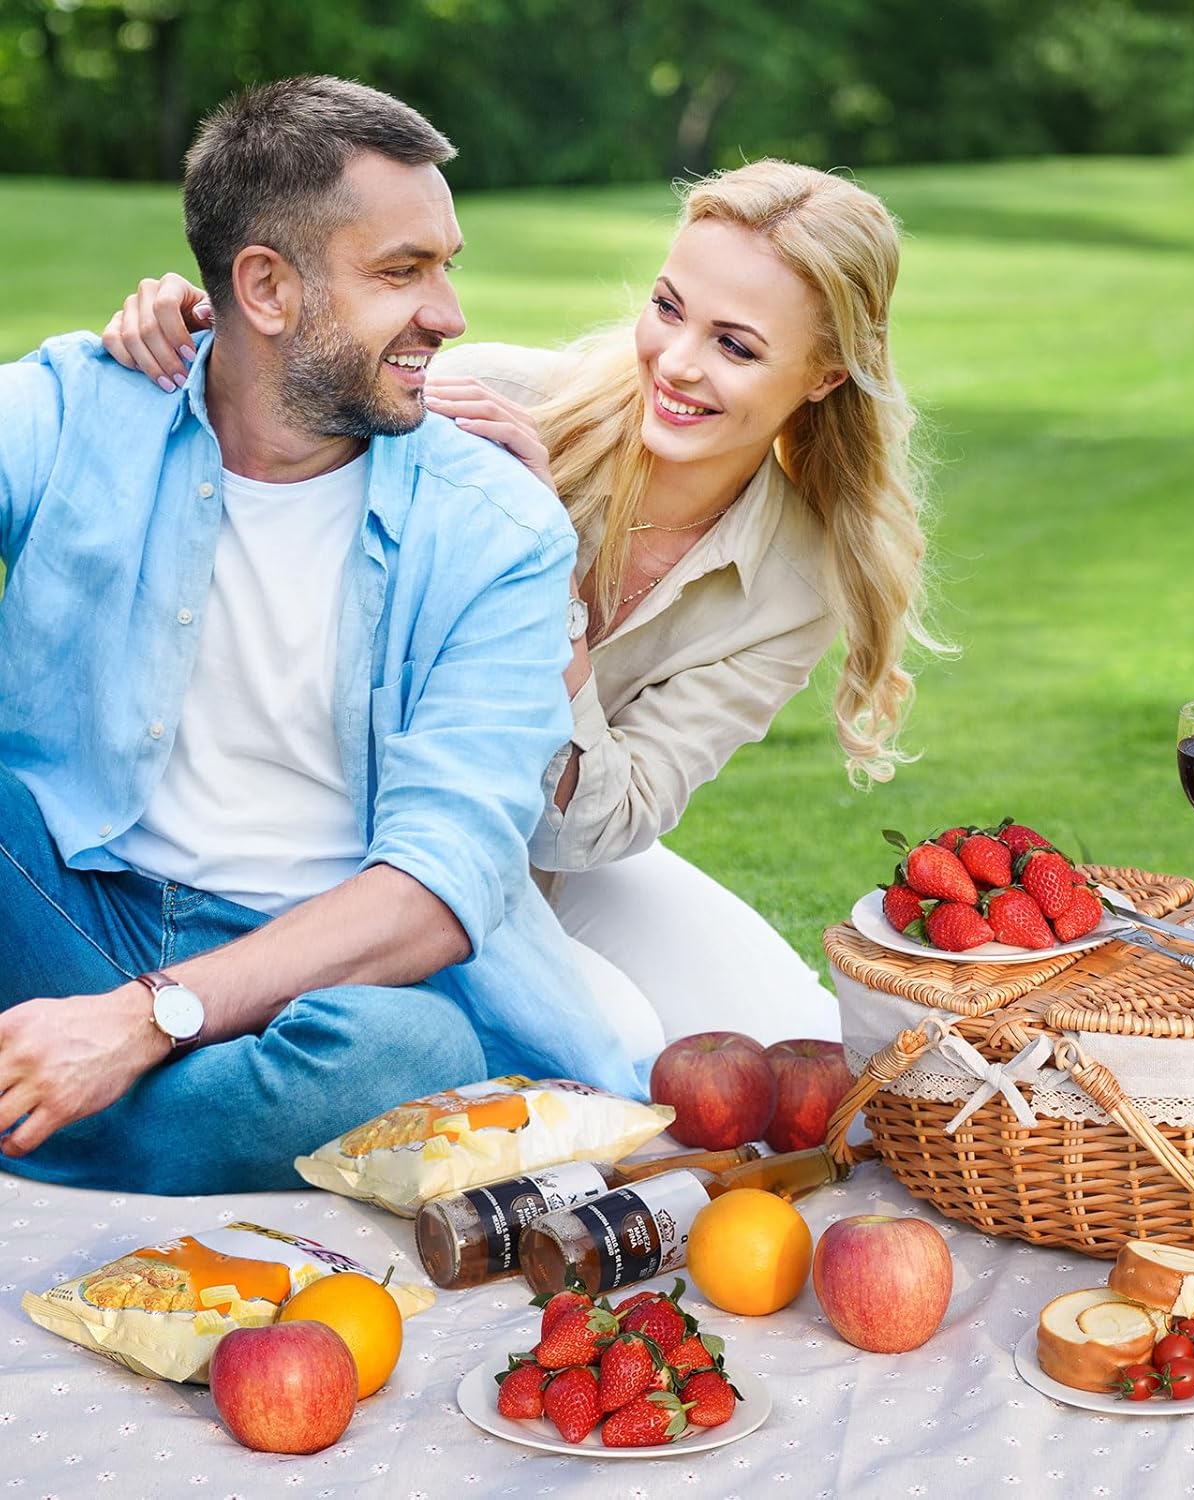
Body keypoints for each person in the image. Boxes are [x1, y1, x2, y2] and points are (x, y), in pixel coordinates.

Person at [102, 161, 942, 1062]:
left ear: (823, 376)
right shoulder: (493, 398)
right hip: (364, 824)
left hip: (542, 846)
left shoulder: (795, 580)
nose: (677, 363)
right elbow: (271, 422)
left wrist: (549, 572)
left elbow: (592, 830)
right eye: (667, 309)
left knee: (802, 1040)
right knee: (622, 1039)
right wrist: (194, 325)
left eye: (736, 347)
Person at [0, 75, 639, 1197]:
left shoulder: (497, 528)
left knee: (413, 1059)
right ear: (264, 287)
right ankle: (128, 1112)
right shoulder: (81, 406)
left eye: (445, 266)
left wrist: (142, 1020)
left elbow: (437, 889)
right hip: (69, 905)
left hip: (323, 979)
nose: (450, 314)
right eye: (402, 272)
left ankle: (69, 1105)